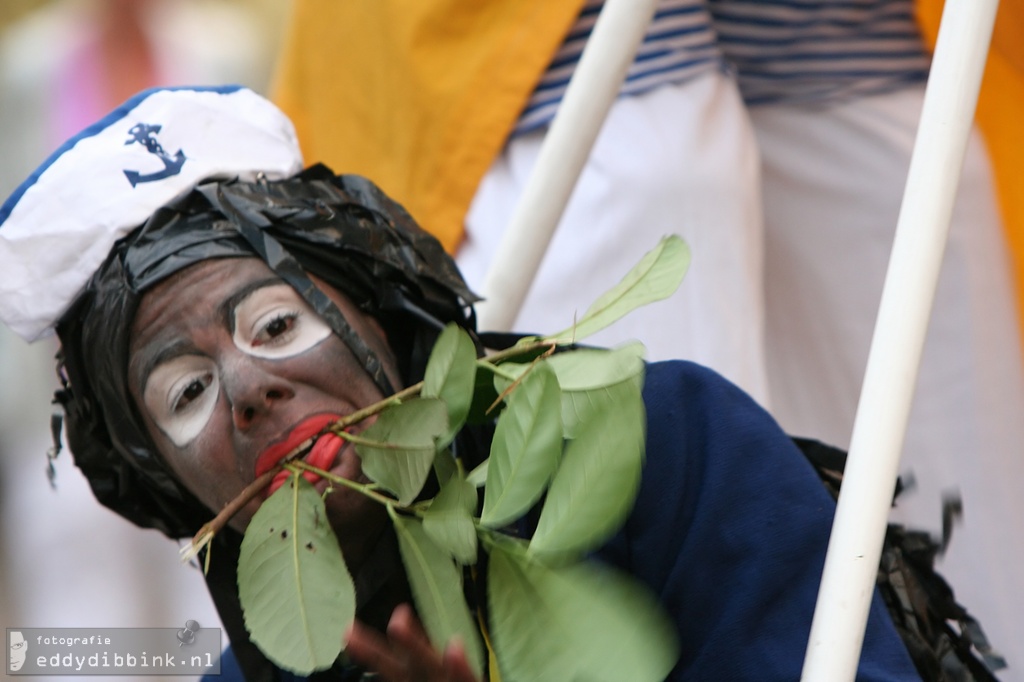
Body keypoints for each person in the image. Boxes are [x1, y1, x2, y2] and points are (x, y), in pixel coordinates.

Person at [0, 86, 928, 681]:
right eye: (185, 396)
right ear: (169, 483)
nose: (246, 389)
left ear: (379, 310)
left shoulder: (668, 444)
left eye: (277, 326)